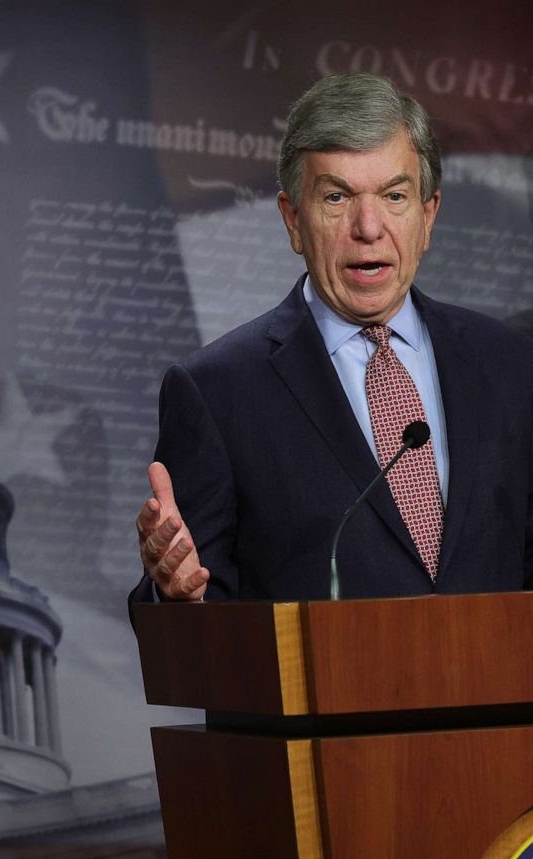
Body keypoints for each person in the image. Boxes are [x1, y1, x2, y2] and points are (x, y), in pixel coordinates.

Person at [132, 71, 533, 606]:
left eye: (394, 195)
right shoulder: (217, 393)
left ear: (428, 215)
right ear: (293, 219)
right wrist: (177, 600)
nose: (368, 227)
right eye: (337, 197)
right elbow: (201, 624)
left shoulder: (509, 364)